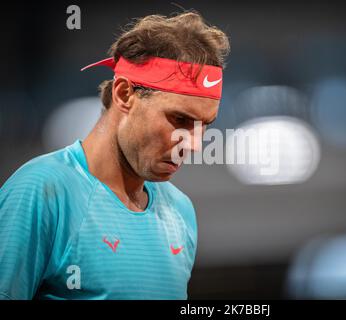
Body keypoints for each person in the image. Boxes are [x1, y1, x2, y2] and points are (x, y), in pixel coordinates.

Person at [0, 11, 230, 300]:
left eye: (203, 125)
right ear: (124, 94)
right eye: (180, 119)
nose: (194, 144)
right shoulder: (41, 191)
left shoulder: (181, 213)